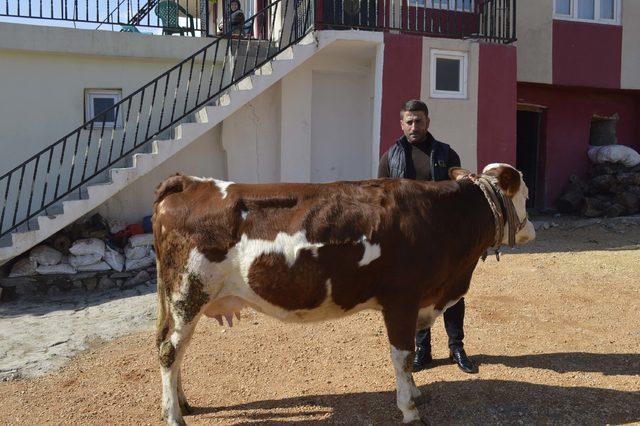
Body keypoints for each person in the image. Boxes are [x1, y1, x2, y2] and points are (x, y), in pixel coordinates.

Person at [377, 99, 478, 374]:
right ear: (401, 123)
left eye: (419, 120)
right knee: (419, 294)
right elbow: (381, 199)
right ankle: (424, 350)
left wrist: (464, 177)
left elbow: (457, 184)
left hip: (446, 237)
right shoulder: (390, 157)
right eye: (409, 121)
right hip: (410, 241)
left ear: (427, 122)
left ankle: (457, 347)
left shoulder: (445, 153)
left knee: (453, 291)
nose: (414, 126)